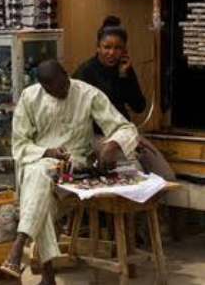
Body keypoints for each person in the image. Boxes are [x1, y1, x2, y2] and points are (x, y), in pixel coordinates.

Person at [1, 60, 139, 284]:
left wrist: (111, 145)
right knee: (40, 180)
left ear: (67, 74)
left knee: (36, 181)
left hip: (75, 167)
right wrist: (46, 151)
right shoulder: (29, 97)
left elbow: (125, 127)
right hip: (40, 160)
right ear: (44, 88)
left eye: (64, 85)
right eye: (56, 90)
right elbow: (19, 144)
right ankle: (43, 273)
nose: (63, 91)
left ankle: (21, 247)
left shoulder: (87, 94)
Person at [73, 16, 175, 180]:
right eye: (107, 47)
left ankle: (156, 206)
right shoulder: (86, 72)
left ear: (124, 50)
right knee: (136, 175)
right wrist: (117, 140)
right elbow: (81, 116)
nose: (111, 53)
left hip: (125, 131)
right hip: (96, 135)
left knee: (166, 176)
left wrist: (124, 76)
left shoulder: (124, 69)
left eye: (117, 48)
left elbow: (139, 106)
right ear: (98, 47)